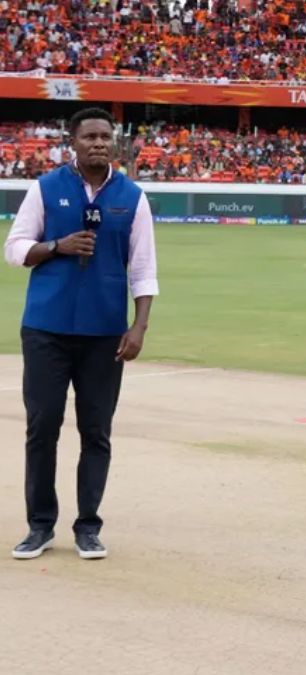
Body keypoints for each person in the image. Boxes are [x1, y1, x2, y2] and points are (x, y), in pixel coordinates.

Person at [5, 107, 159, 561]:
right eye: (88, 135)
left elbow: (145, 270)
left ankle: (88, 526)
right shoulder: (46, 188)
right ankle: (40, 526)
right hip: (45, 330)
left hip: (104, 336)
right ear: (72, 142)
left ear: (114, 142)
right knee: (42, 427)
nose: (97, 142)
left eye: (104, 136)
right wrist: (57, 246)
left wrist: (138, 327)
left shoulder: (132, 197)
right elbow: (13, 249)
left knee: (97, 432)